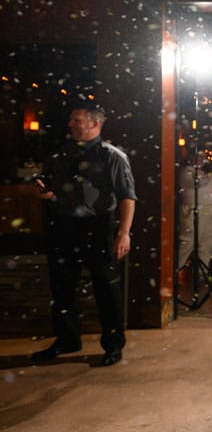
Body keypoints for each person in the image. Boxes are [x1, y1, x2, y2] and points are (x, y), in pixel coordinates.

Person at [31, 101, 137, 367]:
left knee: (106, 288)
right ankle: (67, 340)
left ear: (95, 123)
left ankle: (113, 345)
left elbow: (127, 196)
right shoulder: (60, 155)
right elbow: (48, 187)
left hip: (99, 227)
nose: (71, 124)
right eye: (71, 119)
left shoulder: (112, 156)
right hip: (63, 226)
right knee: (62, 288)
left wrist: (124, 233)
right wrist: (44, 191)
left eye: (76, 119)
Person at [176, 153, 212, 270]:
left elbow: (209, 188)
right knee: (188, 242)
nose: (201, 160)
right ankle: (175, 270)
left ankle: (203, 272)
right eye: (198, 157)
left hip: (209, 210)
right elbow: (196, 183)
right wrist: (211, 175)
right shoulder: (186, 172)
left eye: (203, 158)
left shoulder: (203, 173)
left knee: (206, 243)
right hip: (195, 209)